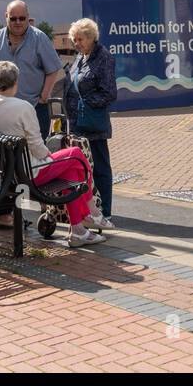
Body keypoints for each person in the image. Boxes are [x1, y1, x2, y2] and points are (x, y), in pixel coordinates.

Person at [0, 61, 105, 247]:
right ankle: (92, 211)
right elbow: (37, 148)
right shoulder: (24, 107)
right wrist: (49, 154)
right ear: (16, 81)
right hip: (31, 175)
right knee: (76, 153)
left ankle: (78, 230)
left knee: (70, 172)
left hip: (8, 176)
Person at [0, 0, 64, 141]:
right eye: (13, 18)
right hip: (2, 111)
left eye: (22, 18)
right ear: (6, 16)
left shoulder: (39, 38)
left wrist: (44, 96)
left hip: (34, 109)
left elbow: (53, 69)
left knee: (35, 157)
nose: (17, 22)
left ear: (28, 17)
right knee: (5, 156)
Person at [64, 18, 118, 229]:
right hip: (77, 124)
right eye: (74, 39)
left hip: (93, 123)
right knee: (82, 168)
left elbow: (109, 93)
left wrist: (85, 104)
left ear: (91, 38)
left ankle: (105, 212)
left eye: (80, 39)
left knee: (100, 167)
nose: (76, 43)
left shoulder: (103, 58)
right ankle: (88, 210)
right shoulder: (81, 57)